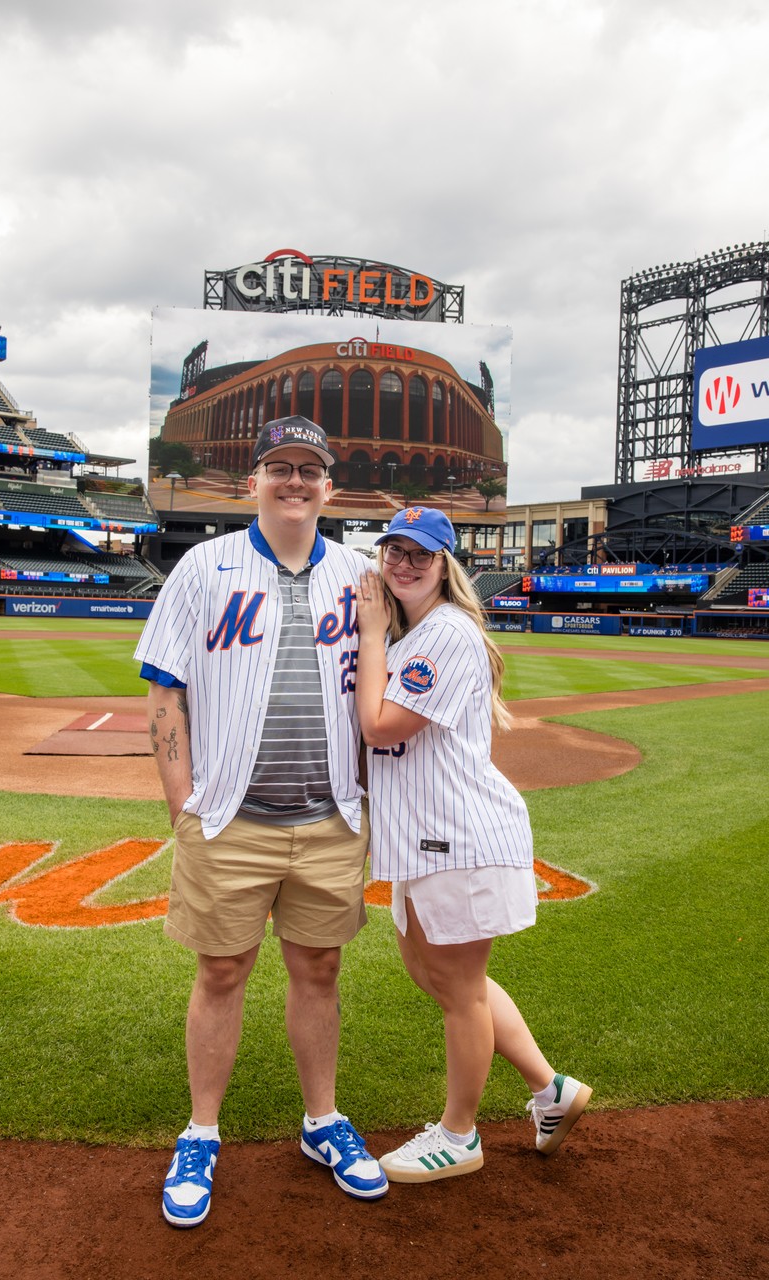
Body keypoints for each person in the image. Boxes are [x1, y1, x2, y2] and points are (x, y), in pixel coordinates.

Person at [135, 416, 387, 1227]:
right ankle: (201, 1133)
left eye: (310, 469)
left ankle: (323, 1123)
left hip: (330, 816)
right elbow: (164, 688)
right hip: (230, 817)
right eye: (279, 466)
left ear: (329, 486)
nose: (295, 481)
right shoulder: (203, 568)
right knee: (222, 973)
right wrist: (184, 805)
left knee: (319, 972)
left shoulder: (363, 575)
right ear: (255, 480)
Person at [354, 506, 591, 1183]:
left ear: (444, 564)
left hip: (455, 835)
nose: (403, 562)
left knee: (459, 990)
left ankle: (459, 1134)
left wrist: (372, 633)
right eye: (393, 550)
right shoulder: (420, 633)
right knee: (446, 979)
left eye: (419, 554)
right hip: (427, 838)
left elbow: (380, 727)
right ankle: (551, 1090)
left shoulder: (446, 634)